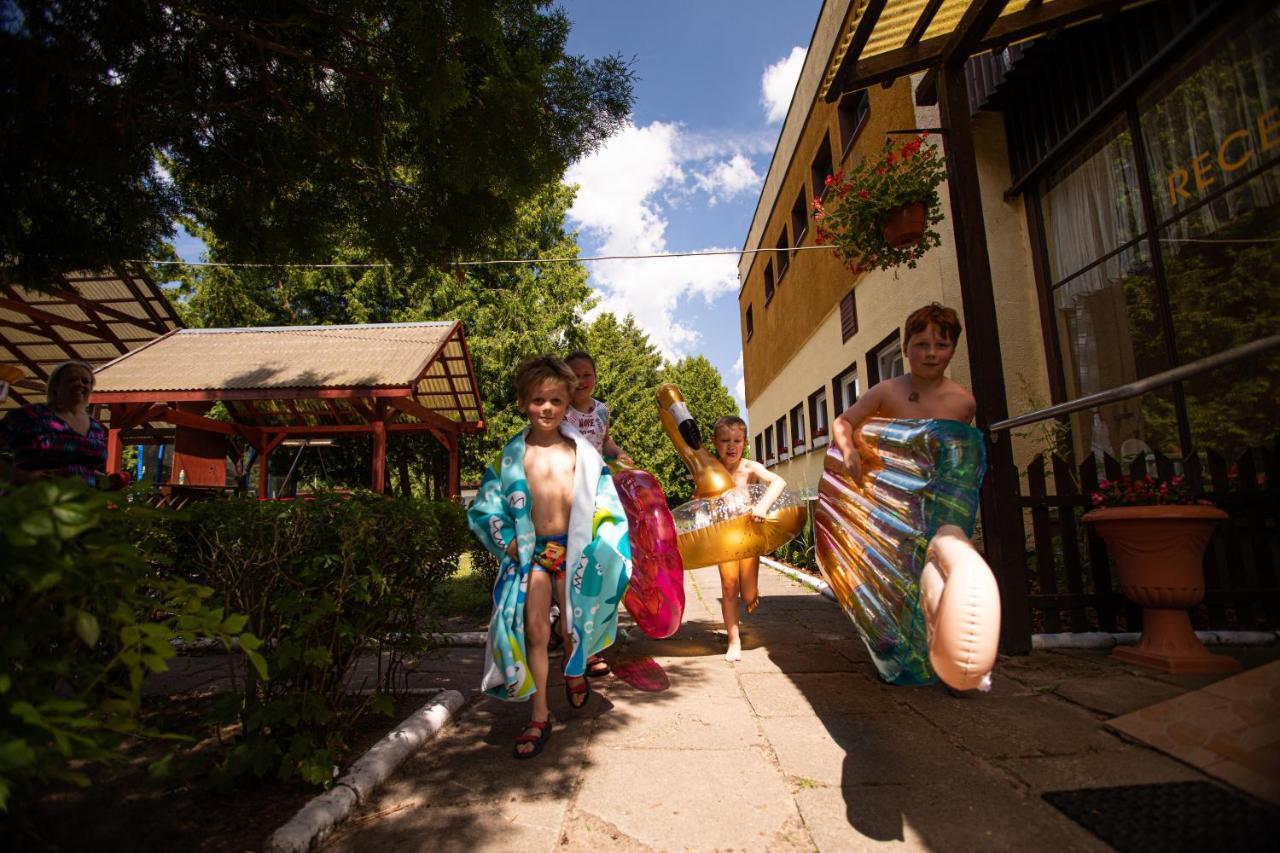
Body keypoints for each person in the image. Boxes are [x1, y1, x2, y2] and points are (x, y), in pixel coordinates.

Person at [467, 356, 631, 759]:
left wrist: (597, 545)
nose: (547, 408)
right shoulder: (512, 456)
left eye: (556, 401)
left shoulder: (582, 454)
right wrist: (511, 543)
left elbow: (606, 505)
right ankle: (539, 714)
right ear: (523, 402)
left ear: (567, 403)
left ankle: (574, 667)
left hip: (575, 554)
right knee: (535, 632)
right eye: (538, 399)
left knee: (574, 628)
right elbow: (485, 506)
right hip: (531, 556)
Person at [833, 303, 976, 481]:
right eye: (922, 344)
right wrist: (848, 450)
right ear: (905, 348)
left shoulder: (964, 403)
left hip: (936, 492)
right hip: (888, 489)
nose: (931, 353)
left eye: (941, 345)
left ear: (953, 351)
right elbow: (843, 421)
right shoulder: (886, 392)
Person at [562, 349, 630, 677]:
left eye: (586, 374)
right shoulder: (560, 412)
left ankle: (594, 639)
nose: (581, 380)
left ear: (595, 377)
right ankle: (580, 645)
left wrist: (620, 454)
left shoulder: (602, 410)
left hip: (601, 497)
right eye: (574, 375)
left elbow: (606, 443)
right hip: (571, 499)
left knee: (601, 564)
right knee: (577, 568)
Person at [710, 415, 787, 662]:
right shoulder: (712, 470)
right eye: (725, 441)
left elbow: (779, 481)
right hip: (724, 538)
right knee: (729, 587)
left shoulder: (750, 468)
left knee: (748, 593)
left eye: (737, 441)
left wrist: (762, 506)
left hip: (749, 535)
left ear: (744, 442)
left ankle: (752, 594)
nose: (731, 446)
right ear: (714, 442)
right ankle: (734, 641)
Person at [0, 360, 127, 489]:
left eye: (85, 382)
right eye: (71, 380)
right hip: (34, 497)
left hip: (81, 499)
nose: (80, 384)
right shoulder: (31, 415)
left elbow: (81, 467)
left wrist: (107, 481)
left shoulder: (96, 428)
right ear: (55, 385)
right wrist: (22, 476)